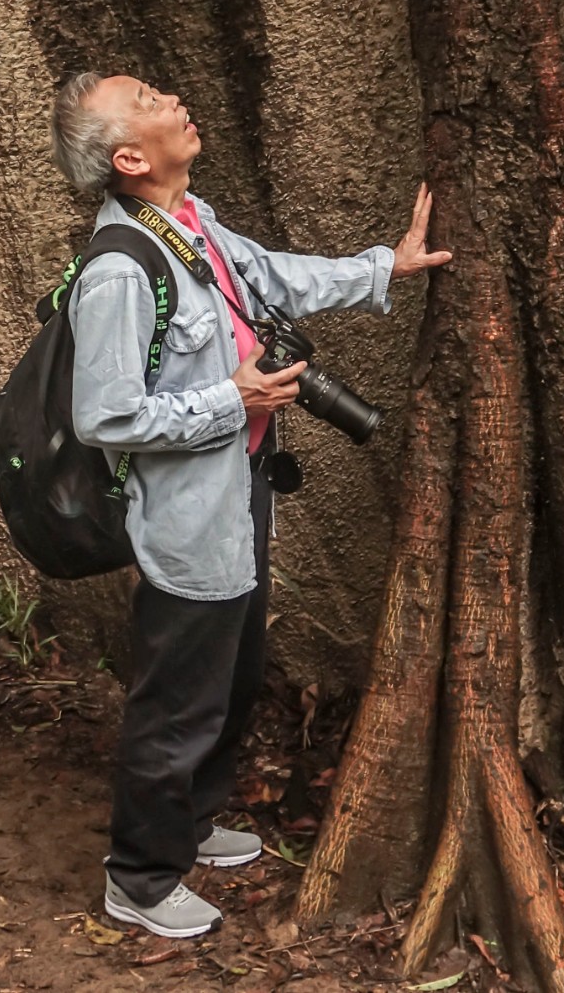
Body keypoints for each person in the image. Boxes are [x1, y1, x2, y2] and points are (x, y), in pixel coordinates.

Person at [49, 71, 449, 939]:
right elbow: (105, 414)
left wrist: (389, 266)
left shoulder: (193, 223)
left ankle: (194, 822)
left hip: (243, 495)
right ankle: (142, 877)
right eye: (153, 102)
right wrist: (235, 402)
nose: (175, 101)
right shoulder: (118, 269)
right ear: (127, 156)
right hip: (189, 521)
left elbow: (272, 277)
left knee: (229, 676)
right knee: (179, 698)